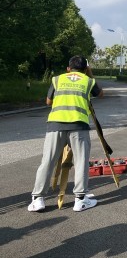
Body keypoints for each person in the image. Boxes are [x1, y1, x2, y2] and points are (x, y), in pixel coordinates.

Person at [28, 55, 104, 212]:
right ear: (85, 69)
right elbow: (100, 94)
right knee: (81, 161)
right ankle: (80, 200)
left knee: (47, 161)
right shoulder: (89, 81)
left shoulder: (57, 79)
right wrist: (90, 74)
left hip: (55, 124)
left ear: (68, 68)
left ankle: (37, 199)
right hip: (79, 125)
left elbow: (48, 102)